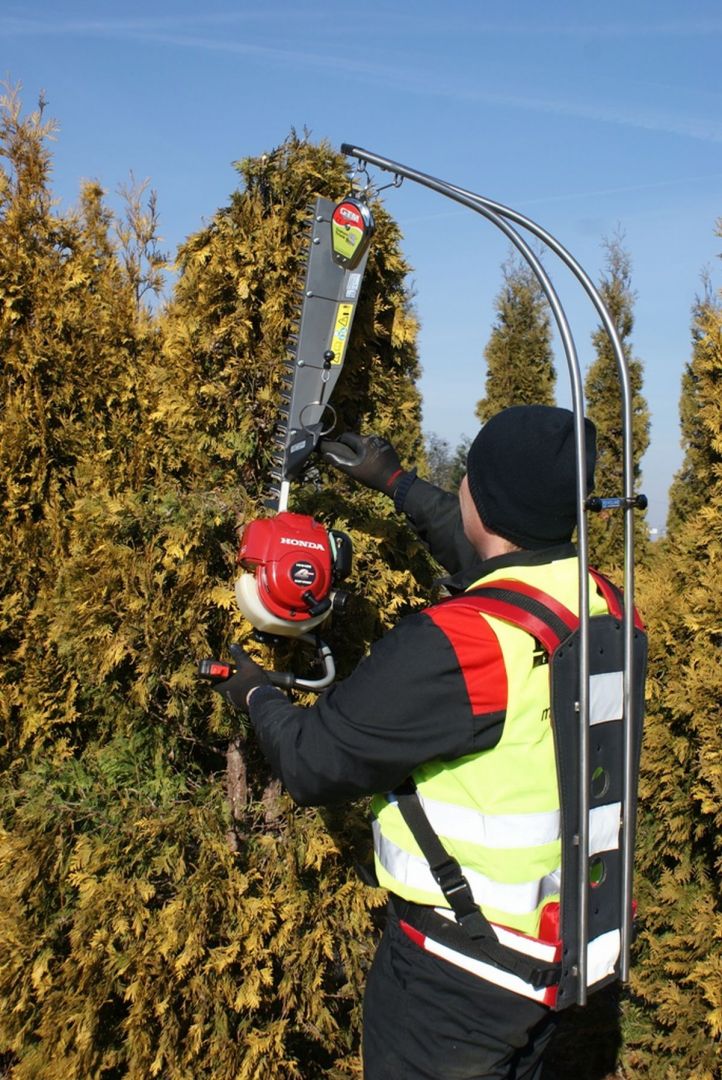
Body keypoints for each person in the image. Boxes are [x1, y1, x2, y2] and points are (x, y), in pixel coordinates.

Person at [214, 404, 605, 1080]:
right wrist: (391, 479)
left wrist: (252, 689)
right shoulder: (595, 599)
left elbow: (314, 761)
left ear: (481, 495)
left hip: (458, 982)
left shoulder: (467, 646)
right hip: (555, 954)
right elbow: (489, 553)